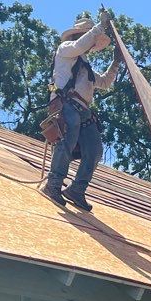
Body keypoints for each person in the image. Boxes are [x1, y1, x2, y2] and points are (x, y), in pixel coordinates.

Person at [42, 12, 120, 211]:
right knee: (67, 137)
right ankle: (53, 184)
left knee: (95, 150)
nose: (92, 44)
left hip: (83, 110)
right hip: (65, 104)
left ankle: (76, 190)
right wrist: (99, 28)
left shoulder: (85, 67)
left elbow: (104, 82)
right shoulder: (66, 49)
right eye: (90, 37)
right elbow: (79, 46)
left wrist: (116, 62)